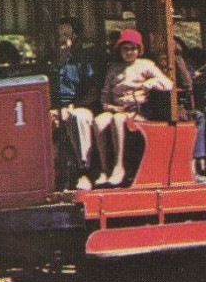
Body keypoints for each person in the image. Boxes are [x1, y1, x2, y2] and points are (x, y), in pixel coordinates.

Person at [93, 28, 174, 186]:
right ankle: (104, 170)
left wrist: (149, 83)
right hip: (116, 109)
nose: (129, 52)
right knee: (98, 122)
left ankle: (119, 166)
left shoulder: (146, 65)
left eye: (133, 49)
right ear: (120, 50)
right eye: (125, 49)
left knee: (117, 120)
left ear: (139, 50)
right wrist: (109, 106)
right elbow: (104, 95)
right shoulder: (113, 69)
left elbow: (168, 84)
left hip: (137, 110)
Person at [51, 18, 99, 191]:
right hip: (50, 110)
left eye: (66, 35)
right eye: (58, 35)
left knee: (79, 117)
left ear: (74, 38)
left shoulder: (81, 61)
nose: (62, 39)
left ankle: (83, 172)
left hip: (76, 107)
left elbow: (93, 93)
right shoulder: (47, 63)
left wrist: (72, 107)